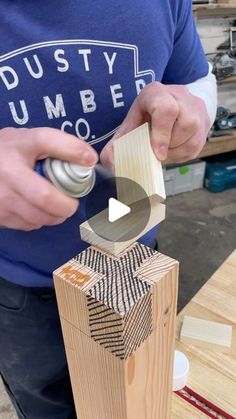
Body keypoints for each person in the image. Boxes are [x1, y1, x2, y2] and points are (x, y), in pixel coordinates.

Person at [0, 1, 217, 418]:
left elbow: (197, 79)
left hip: (137, 257)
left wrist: (193, 108)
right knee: (48, 404)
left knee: (138, 395)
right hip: (21, 286)